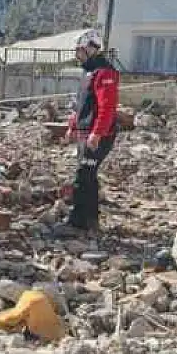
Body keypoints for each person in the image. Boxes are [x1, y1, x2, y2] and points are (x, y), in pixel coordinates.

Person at [64, 29, 119, 234]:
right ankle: (92, 219)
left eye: (80, 51)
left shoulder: (104, 72)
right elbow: (80, 106)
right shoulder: (88, 72)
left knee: (82, 176)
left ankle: (77, 223)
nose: (77, 55)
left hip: (98, 135)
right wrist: (72, 127)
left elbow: (107, 107)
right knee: (89, 175)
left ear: (91, 49)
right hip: (85, 132)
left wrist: (97, 134)